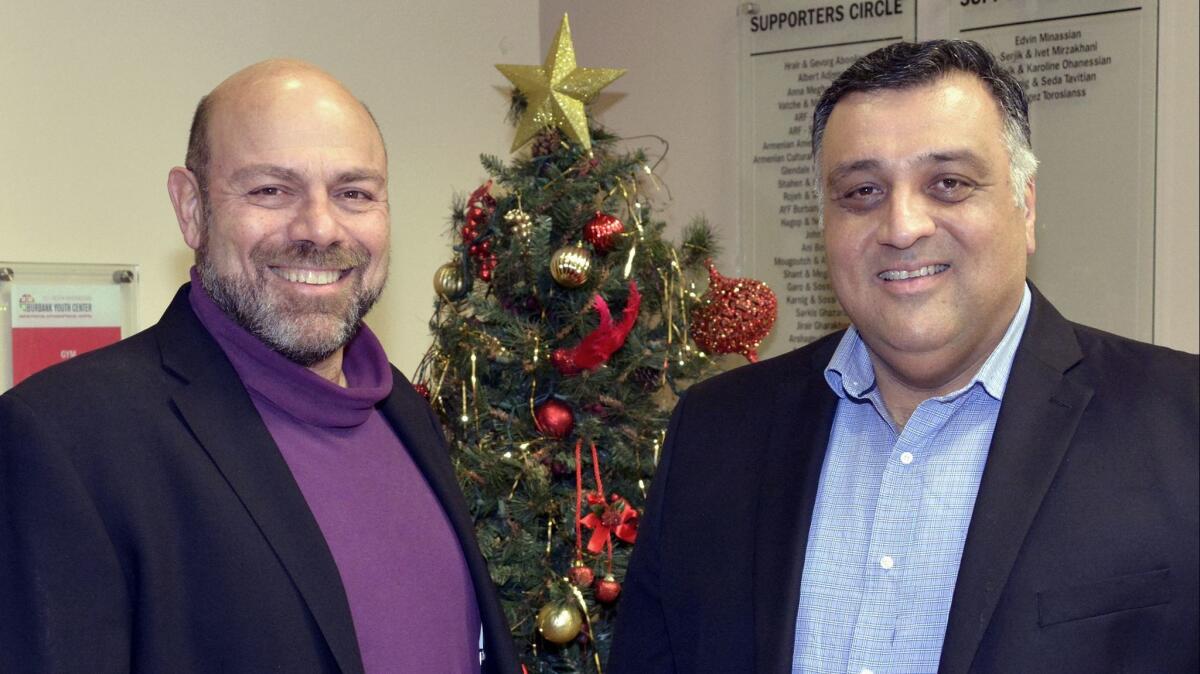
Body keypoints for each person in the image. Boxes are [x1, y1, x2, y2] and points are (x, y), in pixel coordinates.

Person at [609, 40, 1198, 674]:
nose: (902, 226)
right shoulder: (715, 430)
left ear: (1024, 207)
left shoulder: (1182, 423)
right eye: (862, 192)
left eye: (948, 184)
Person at [0, 60, 519, 674]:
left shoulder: (402, 410)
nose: (320, 228)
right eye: (271, 190)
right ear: (191, 208)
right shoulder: (66, 437)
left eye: (354, 192)